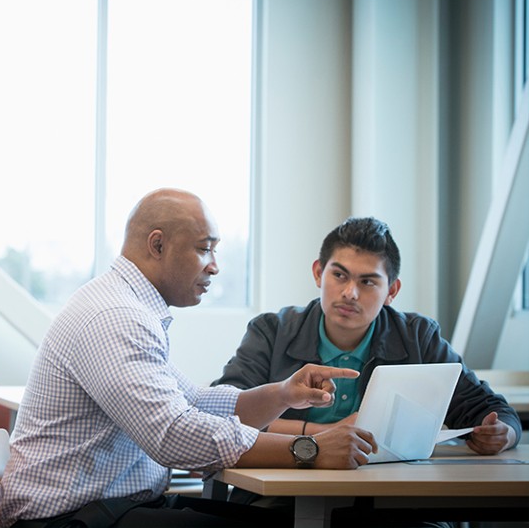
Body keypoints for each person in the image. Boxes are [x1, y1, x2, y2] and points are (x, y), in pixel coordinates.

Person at [0, 189, 377, 528]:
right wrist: (310, 450)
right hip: (67, 518)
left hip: (109, 508)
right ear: (157, 245)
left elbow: (194, 403)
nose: (214, 264)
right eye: (204, 248)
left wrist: (281, 395)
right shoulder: (115, 316)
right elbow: (173, 435)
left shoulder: (128, 307)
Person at [213, 216, 521, 526]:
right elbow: (221, 416)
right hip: (282, 499)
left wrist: (502, 434)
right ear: (319, 273)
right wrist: (326, 438)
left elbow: (492, 409)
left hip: (394, 501)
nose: (350, 293)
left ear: (392, 290)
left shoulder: (418, 337)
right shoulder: (271, 331)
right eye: (339, 275)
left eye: (367, 282)